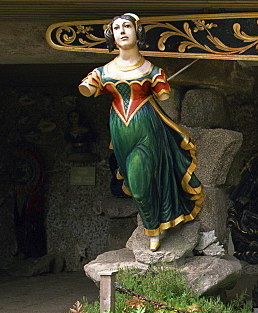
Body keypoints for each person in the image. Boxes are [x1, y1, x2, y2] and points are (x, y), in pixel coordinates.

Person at [78, 13, 203, 251]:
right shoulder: (103, 71)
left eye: (127, 26)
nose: (122, 31)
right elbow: (88, 86)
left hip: (147, 128)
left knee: (139, 182)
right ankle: (154, 223)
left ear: (138, 33)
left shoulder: (150, 69)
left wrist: (160, 83)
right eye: (116, 28)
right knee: (133, 177)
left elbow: (163, 93)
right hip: (120, 130)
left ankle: (153, 228)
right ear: (111, 35)